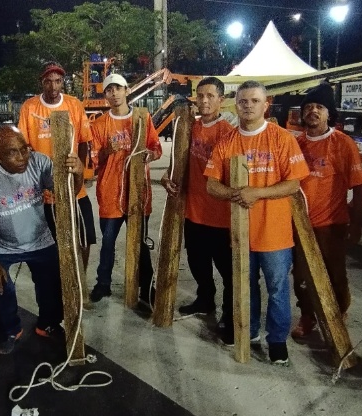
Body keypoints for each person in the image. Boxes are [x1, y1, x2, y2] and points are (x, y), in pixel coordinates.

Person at [204, 80, 309, 364]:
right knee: (244, 285)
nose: (247, 106)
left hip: (275, 234)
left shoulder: (282, 138)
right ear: (235, 105)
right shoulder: (227, 142)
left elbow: (294, 183)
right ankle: (249, 332)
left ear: (266, 104)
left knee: (277, 289)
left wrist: (256, 193)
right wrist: (236, 194)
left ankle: (277, 341)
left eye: (253, 101)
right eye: (242, 101)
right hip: (240, 234)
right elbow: (212, 185)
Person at [0, 125, 83, 354]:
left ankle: (47, 325)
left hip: (40, 239)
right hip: (2, 245)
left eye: (24, 149)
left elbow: (66, 195)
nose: (21, 157)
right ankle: (10, 330)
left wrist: (78, 172)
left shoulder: (39, 163)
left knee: (53, 283)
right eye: (12, 152)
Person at [290, 83, 362, 338]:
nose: (313, 111)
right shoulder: (295, 144)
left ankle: (337, 313)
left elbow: (359, 188)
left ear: (328, 113)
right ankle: (308, 315)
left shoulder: (343, 144)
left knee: (335, 273)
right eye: (308, 107)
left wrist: (355, 225)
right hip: (299, 225)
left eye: (319, 107)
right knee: (301, 275)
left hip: (332, 225)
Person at [161, 77, 235, 328]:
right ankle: (205, 299)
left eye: (210, 96)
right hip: (193, 212)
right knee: (197, 262)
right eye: (200, 95)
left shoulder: (229, 132)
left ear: (221, 100)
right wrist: (168, 176)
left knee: (228, 270)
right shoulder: (187, 128)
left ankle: (230, 313)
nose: (204, 100)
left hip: (222, 216)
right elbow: (179, 161)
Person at [88, 73, 163, 305]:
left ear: (127, 90)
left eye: (118, 88)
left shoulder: (142, 118)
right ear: (105, 96)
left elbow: (156, 148)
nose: (114, 93)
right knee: (108, 242)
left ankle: (146, 287)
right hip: (110, 193)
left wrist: (149, 155)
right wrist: (106, 152)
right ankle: (103, 284)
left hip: (138, 193)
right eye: (109, 90)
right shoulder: (99, 124)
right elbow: (94, 161)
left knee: (140, 244)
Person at [17, 62, 96, 273]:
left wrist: (79, 170)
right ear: (41, 82)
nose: (53, 87)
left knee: (83, 236)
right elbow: (24, 147)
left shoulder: (73, 105)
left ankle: (81, 281)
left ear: (63, 82)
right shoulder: (30, 107)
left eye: (58, 81)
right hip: (44, 192)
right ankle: (57, 284)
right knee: (50, 244)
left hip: (73, 188)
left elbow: (82, 141)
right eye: (48, 81)